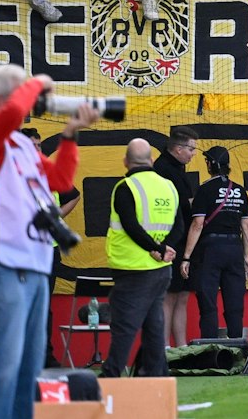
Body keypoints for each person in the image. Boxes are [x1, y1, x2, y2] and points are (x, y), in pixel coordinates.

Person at [0, 67, 99, 419]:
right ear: (1, 100)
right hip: (0, 260)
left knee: (29, 362)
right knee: (4, 357)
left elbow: (59, 178)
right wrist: (39, 82)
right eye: (22, 96)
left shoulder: (20, 146)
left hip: (34, 259)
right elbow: (14, 112)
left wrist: (71, 134)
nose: (30, 105)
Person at [104, 138, 178, 378]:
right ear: (152, 160)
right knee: (154, 327)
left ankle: (110, 377)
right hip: (162, 269)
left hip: (133, 268)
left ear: (126, 162)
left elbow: (130, 225)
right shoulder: (168, 186)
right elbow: (181, 224)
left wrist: (153, 247)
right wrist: (166, 247)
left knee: (124, 327)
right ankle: (155, 377)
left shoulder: (126, 187)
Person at [181, 146, 248, 342]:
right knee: (235, 303)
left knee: (208, 303)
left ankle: (210, 348)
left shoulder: (204, 190)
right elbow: (246, 227)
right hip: (234, 249)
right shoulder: (240, 190)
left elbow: (197, 224)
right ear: (228, 165)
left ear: (210, 164)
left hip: (210, 250)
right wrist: (245, 256)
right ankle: (238, 348)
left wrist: (186, 257)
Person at [154, 128, 198, 347]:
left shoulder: (179, 168)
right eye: (191, 149)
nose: (193, 154)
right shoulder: (162, 169)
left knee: (182, 295)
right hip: (170, 240)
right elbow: (182, 205)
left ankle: (181, 348)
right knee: (169, 296)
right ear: (178, 149)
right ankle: (163, 348)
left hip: (184, 240)